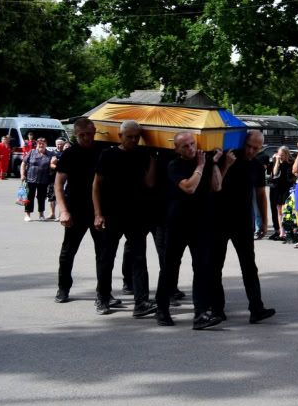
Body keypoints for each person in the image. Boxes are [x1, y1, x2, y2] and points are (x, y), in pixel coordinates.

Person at [155, 131, 222, 330]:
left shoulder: (206, 161)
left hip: (201, 223)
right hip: (178, 222)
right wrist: (201, 166)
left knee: (202, 268)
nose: (191, 148)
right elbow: (189, 187)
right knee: (170, 267)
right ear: (177, 149)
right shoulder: (174, 165)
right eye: (185, 146)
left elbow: (217, 186)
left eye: (192, 144)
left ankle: (200, 314)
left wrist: (215, 163)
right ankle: (162, 309)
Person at [92, 120, 158, 318]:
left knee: (139, 259)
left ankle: (141, 302)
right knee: (107, 258)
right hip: (112, 214)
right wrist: (98, 213)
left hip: (136, 216)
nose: (133, 140)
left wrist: (153, 160)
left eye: (136, 136)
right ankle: (102, 297)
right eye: (129, 136)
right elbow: (96, 186)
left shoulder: (143, 155)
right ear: (120, 136)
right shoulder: (108, 155)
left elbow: (149, 182)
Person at [213, 130, 276, 323]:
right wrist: (224, 164)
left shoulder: (257, 165)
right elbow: (214, 185)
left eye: (256, 148)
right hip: (219, 219)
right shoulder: (227, 158)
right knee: (215, 266)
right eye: (249, 146)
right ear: (243, 143)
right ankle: (216, 308)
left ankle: (256, 308)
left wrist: (264, 221)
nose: (251, 151)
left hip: (243, 222)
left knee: (249, 266)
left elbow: (260, 194)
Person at [52, 118, 106, 307]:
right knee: (68, 252)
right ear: (75, 134)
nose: (85, 138)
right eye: (81, 135)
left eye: (89, 134)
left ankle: (102, 293)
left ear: (95, 132)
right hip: (75, 209)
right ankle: (63, 288)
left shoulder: (102, 151)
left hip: (99, 210)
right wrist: (63, 211)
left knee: (103, 253)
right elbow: (58, 184)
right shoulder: (70, 154)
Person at [21, 138, 55, 221]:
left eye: (43, 143)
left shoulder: (50, 154)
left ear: (46, 144)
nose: (41, 145)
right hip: (30, 178)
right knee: (29, 196)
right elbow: (23, 164)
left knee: (41, 197)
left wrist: (55, 161)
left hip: (43, 179)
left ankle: (41, 214)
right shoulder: (32, 152)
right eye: (39, 143)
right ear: (37, 144)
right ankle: (27, 214)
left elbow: (52, 163)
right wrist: (22, 174)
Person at [268, 146, 293, 240]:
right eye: (279, 155)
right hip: (278, 188)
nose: (280, 156)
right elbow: (274, 173)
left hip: (287, 187)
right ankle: (281, 232)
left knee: (284, 210)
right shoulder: (277, 162)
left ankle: (287, 231)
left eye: (282, 155)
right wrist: (277, 161)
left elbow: (292, 176)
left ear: (286, 154)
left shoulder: (291, 163)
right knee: (279, 210)